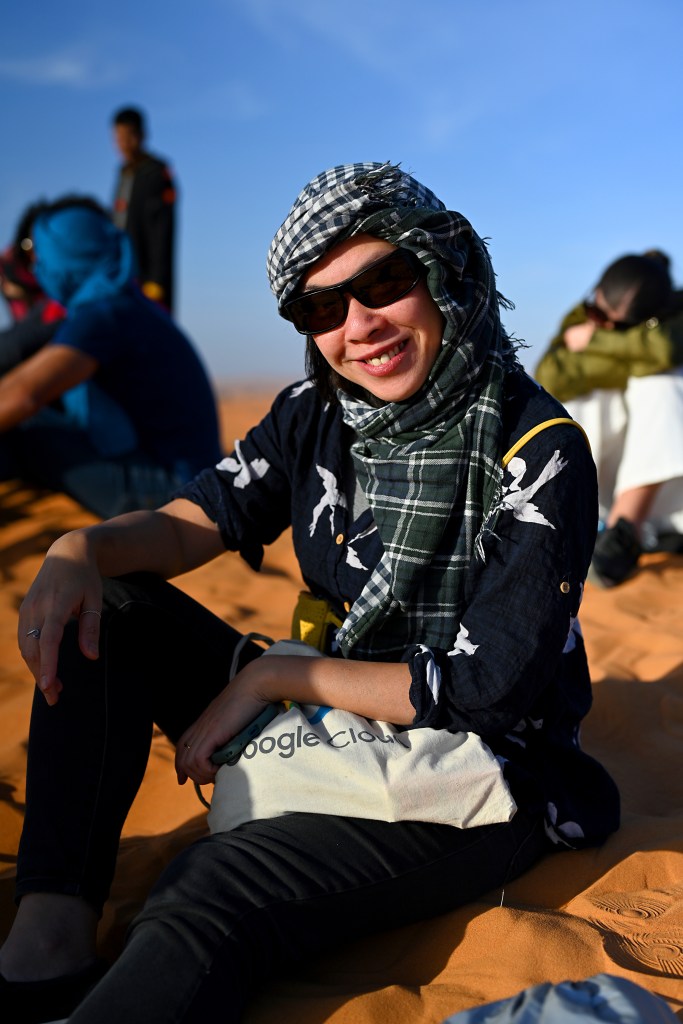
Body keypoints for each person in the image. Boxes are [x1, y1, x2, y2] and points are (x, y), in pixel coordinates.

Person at [0, 162, 619, 1024]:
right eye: (320, 308)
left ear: (442, 265)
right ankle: (48, 940)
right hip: (330, 713)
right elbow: (188, 525)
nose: (358, 326)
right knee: (110, 604)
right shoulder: (314, 411)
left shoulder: (539, 448)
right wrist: (80, 547)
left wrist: (274, 677)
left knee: (214, 885)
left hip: (478, 769)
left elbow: (485, 690)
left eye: (384, 282)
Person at [0, 195, 222, 519]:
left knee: (24, 428)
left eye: (42, 254)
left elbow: (25, 394)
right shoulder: (122, 304)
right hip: (191, 480)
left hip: (177, 493)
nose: (38, 267)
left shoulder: (103, 314)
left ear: (68, 254)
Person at [534, 250, 683, 587]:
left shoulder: (677, 313)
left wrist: (595, 340)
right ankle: (577, 521)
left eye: (620, 327)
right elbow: (552, 374)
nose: (603, 323)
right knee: (586, 395)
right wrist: (635, 352)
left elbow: (664, 351)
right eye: (598, 315)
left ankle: (626, 529)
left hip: (667, 490)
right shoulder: (582, 312)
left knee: (664, 383)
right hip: (602, 478)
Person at [111, 106, 177, 314]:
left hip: (148, 277)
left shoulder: (156, 172)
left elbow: (163, 230)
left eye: (128, 136)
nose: (123, 143)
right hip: (122, 274)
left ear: (141, 135)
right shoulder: (123, 174)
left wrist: (157, 280)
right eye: (118, 137)